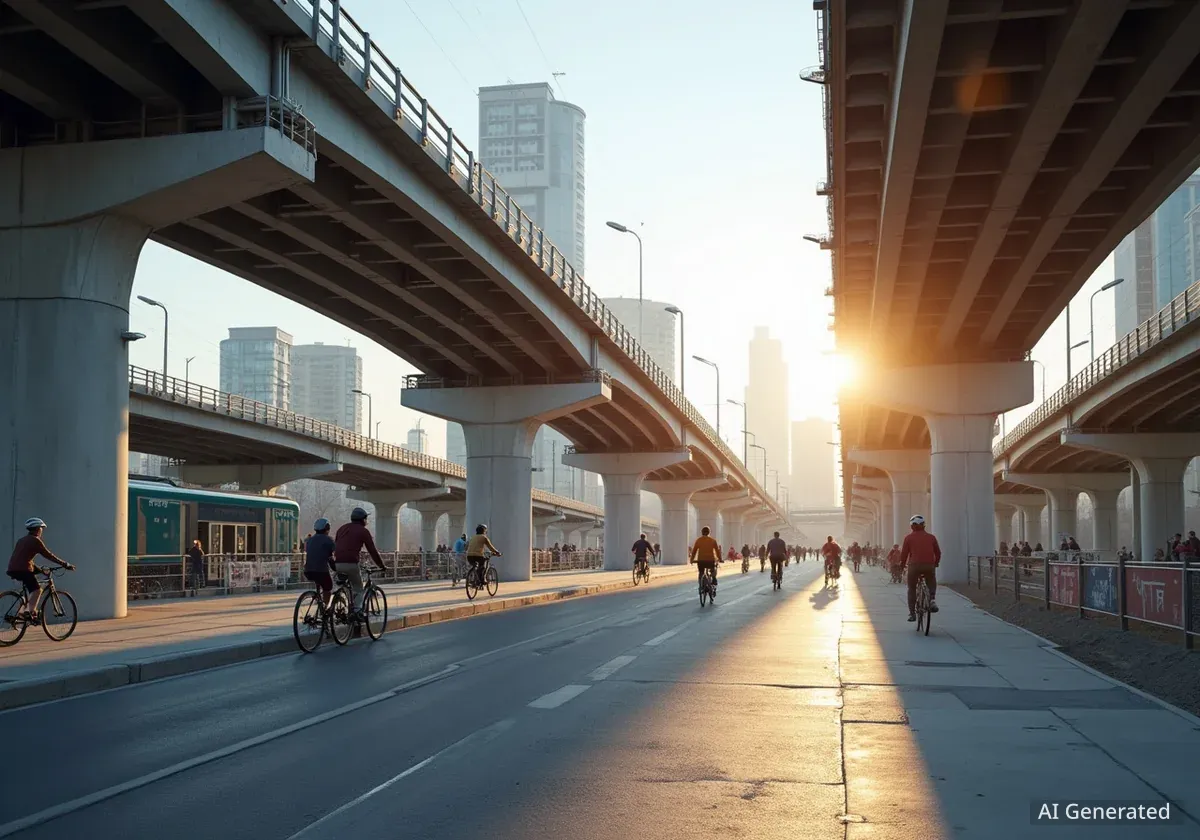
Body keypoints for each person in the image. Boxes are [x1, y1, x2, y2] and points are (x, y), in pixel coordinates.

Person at [7, 518, 73, 622]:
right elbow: (49, 555)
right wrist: (65, 564)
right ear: (38, 529)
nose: (42, 530)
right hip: (24, 569)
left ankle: (22, 612)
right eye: (41, 528)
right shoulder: (35, 540)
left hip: (13, 569)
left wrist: (40, 571)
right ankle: (28, 612)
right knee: (37, 590)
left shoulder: (22, 540)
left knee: (31, 590)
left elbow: (24, 558)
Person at [334, 507, 386, 616]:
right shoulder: (363, 531)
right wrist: (381, 565)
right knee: (358, 588)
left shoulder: (342, 528)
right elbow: (372, 551)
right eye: (366, 519)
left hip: (337, 563)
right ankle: (357, 612)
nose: (366, 521)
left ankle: (341, 604)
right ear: (363, 519)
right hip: (351, 563)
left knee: (344, 586)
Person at [900, 514, 941, 622]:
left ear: (911, 526)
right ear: (924, 525)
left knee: (912, 589)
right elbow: (938, 552)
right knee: (931, 579)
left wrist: (902, 566)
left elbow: (904, 555)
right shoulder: (931, 537)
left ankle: (912, 614)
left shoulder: (908, 538)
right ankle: (932, 599)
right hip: (929, 565)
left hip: (914, 566)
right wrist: (936, 563)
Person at [304, 518, 336, 607]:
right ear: (327, 528)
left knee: (319, 581)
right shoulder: (329, 540)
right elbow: (333, 555)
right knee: (328, 587)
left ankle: (318, 599)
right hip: (321, 570)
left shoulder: (310, 540)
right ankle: (325, 608)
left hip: (308, 571)